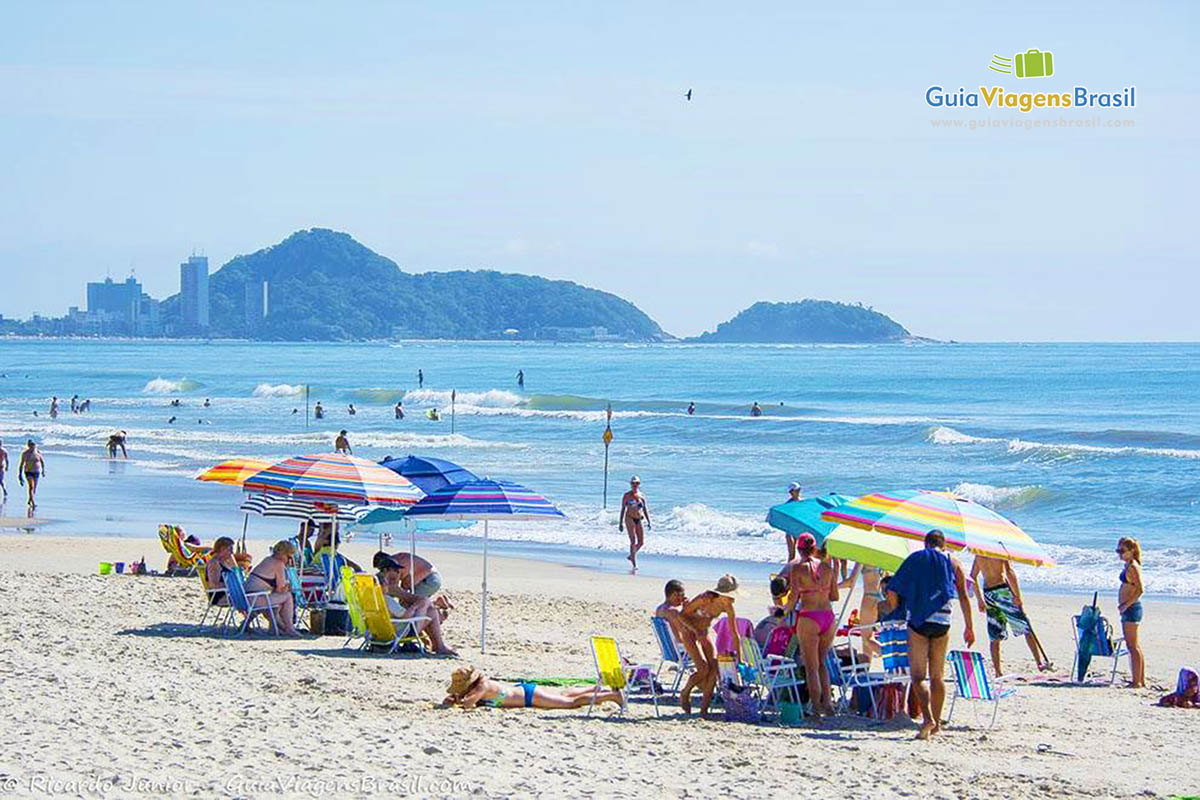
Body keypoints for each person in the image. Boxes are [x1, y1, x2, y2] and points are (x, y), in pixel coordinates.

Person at [883, 530, 975, 739]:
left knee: (917, 676)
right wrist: (969, 627)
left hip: (918, 621)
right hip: (943, 622)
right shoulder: (954, 562)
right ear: (943, 545)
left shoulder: (916, 558)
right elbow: (963, 596)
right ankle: (938, 724)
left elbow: (892, 588)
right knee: (937, 676)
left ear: (926, 544)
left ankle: (927, 719)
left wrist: (898, 610)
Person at [783, 533, 839, 717]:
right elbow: (835, 596)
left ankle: (815, 707)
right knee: (822, 663)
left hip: (809, 617)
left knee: (811, 666)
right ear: (815, 548)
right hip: (828, 617)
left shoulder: (798, 569)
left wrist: (783, 611)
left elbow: (793, 597)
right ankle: (828, 705)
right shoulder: (827, 567)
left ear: (799, 549)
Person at [971, 554, 1048, 676]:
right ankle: (1039, 663)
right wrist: (1018, 596)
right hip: (1003, 592)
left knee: (994, 632)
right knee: (1025, 626)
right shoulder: (998, 552)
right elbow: (1009, 572)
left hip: (988, 594)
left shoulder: (979, 553)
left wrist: (979, 599)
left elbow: (972, 577)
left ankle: (998, 671)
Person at [675, 575, 740, 717]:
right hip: (688, 632)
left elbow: (735, 635)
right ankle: (685, 692)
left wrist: (739, 658)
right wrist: (695, 630)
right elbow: (681, 616)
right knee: (703, 668)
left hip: (703, 632)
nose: (731, 598)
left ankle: (703, 710)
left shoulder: (728, 607)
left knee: (714, 668)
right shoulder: (704, 598)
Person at [444, 665, 622, 710]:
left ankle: (611, 696)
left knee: (570, 702)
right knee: (564, 694)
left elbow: (468, 704)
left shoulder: (482, 686)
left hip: (529, 697)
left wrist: (456, 700)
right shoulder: (480, 687)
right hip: (525, 692)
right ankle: (597, 691)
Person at [377, 556, 456, 655]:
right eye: (395, 570)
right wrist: (415, 606)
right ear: (385, 572)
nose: (398, 573)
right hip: (398, 632)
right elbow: (406, 616)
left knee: (429, 609)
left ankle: (438, 645)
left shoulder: (373, 597)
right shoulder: (386, 600)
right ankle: (439, 646)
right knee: (427, 606)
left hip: (379, 633)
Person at [373, 551, 454, 618]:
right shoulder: (395, 560)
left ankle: (438, 612)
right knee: (413, 602)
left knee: (412, 605)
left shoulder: (394, 567)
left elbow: (396, 588)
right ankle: (437, 602)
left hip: (429, 579)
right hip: (431, 577)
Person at [244, 541, 300, 636]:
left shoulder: (267, 559)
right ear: (283, 554)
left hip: (246, 597)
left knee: (277, 600)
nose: (289, 560)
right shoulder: (278, 564)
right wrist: (289, 586)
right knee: (287, 597)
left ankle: (277, 627)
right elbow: (280, 589)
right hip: (254, 599)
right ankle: (289, 628)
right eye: (289, 557)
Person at [1116, 536, 1145, 688]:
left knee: (1132, 646)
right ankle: (1140, 679)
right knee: (1134, 645)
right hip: (1129, 608)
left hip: (1132, 609)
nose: (1119, 554)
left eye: (1122, 551)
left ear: (1131, 551)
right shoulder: (1128, 565)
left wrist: (1126, 605)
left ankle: (1137, 681)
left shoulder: (1133, 566)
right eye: (1117, 551)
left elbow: (1140, 589)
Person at [618, 476, 650, 571]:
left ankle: (632, 555)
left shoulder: (641, 496)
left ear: (639, 484)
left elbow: (644, 509)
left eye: (636, 483)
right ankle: (634, 563)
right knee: (633, 540)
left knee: (641, 542)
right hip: (629, 518)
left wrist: (648, 521)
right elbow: (623, 509)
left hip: (638, 518)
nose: (634, 485)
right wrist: (620, 523)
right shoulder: (627, 496)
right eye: (632, 483)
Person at [204, 536, 238, 606]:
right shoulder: (214, 563)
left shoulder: (223, 561)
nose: (232, 552)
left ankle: (249, 615)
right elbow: (213, 585)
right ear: (222, 549)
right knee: (252, 600)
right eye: (230, 549)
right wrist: (231, 585)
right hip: (219, 597)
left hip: (227, 593)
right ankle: (249, 616)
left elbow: (236, 570)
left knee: (253, 599)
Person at [18, 440, 44, 511]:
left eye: (33, 445)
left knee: (34, 488)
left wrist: (43, 471)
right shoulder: (25, 454)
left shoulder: (38, 452)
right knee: (31, 487)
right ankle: (33, 502)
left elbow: (42, 461)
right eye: (31, 445)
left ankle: (30, 500)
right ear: (28, 446)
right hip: (28, 472)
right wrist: (20, 474)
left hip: (36, 472)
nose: (32, 446)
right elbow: (21, 464)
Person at [783, 481, 804, 560]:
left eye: (799, 490)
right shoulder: (788, 505)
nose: (798, 492)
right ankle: (789, 571)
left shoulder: (803, 502)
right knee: (792, 554)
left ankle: (801, 570)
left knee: (803, 554)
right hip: (790, 530)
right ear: (791, 492)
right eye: (796, 490)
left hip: (800, 530)